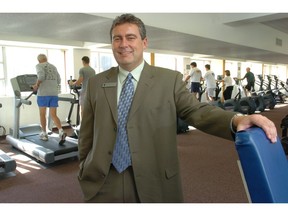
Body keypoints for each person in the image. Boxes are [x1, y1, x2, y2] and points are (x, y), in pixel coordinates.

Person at [77, 13, 277, 203]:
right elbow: (87, 131)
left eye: (131, 37)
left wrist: (237, 120)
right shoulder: (96, 82)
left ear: (144, 42)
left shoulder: (168, 80)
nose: (124, 44)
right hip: (104, 180)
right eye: (117, 39)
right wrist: (84, 165)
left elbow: (197, 111)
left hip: (153, 179)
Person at [32, 54, 66, 144]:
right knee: (53, 114)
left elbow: (41, 76)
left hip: (43, 93)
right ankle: (61, 131)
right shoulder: (53, 66)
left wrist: (36, 85)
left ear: (39, 60)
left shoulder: (39, 66)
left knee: (42, 114)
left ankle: (44, 133)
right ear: (46, 59)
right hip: (54, 93)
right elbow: (59, 79)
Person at [69, 56, 96, 122]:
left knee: (82, 110)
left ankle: (83, 126)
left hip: (85, 91)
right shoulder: (93, 70)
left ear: (83, 61)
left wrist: (72, 83)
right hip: (92, 91)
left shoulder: (82, 69)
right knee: (90, 110)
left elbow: (79, 81)